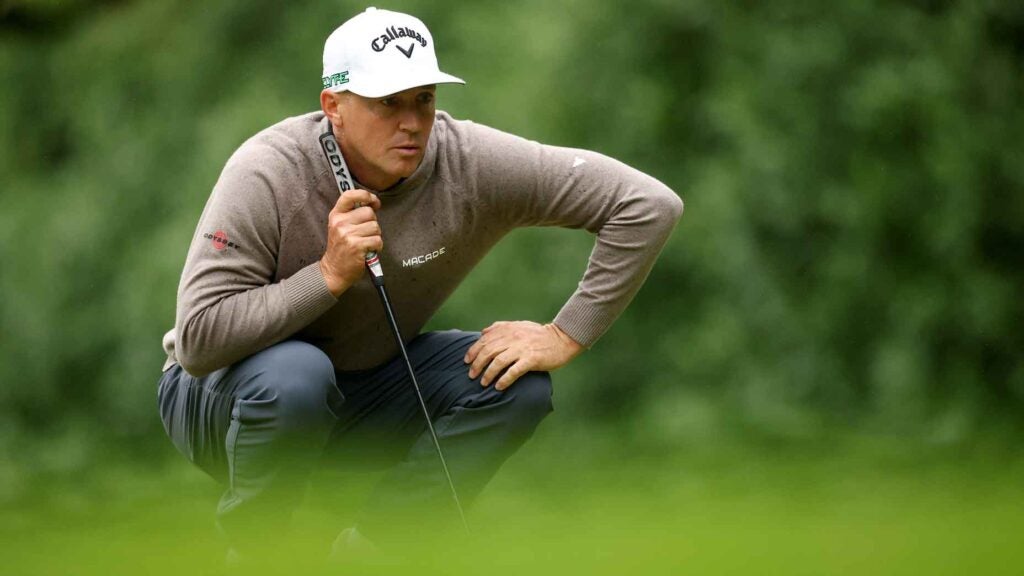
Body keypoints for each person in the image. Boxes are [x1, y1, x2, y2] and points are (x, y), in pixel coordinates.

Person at [156, 6, 682, 561]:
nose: (411, 123)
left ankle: (374, 552)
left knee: (515, 382)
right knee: (298, 375)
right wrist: (328, 276)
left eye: (423, 99)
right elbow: (197, 343)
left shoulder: (470, 161)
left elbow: (647, 205)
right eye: (388, 103)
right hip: (219, 401)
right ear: (333, 105)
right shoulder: (266, 171)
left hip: (362, 390)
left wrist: (565, 334)